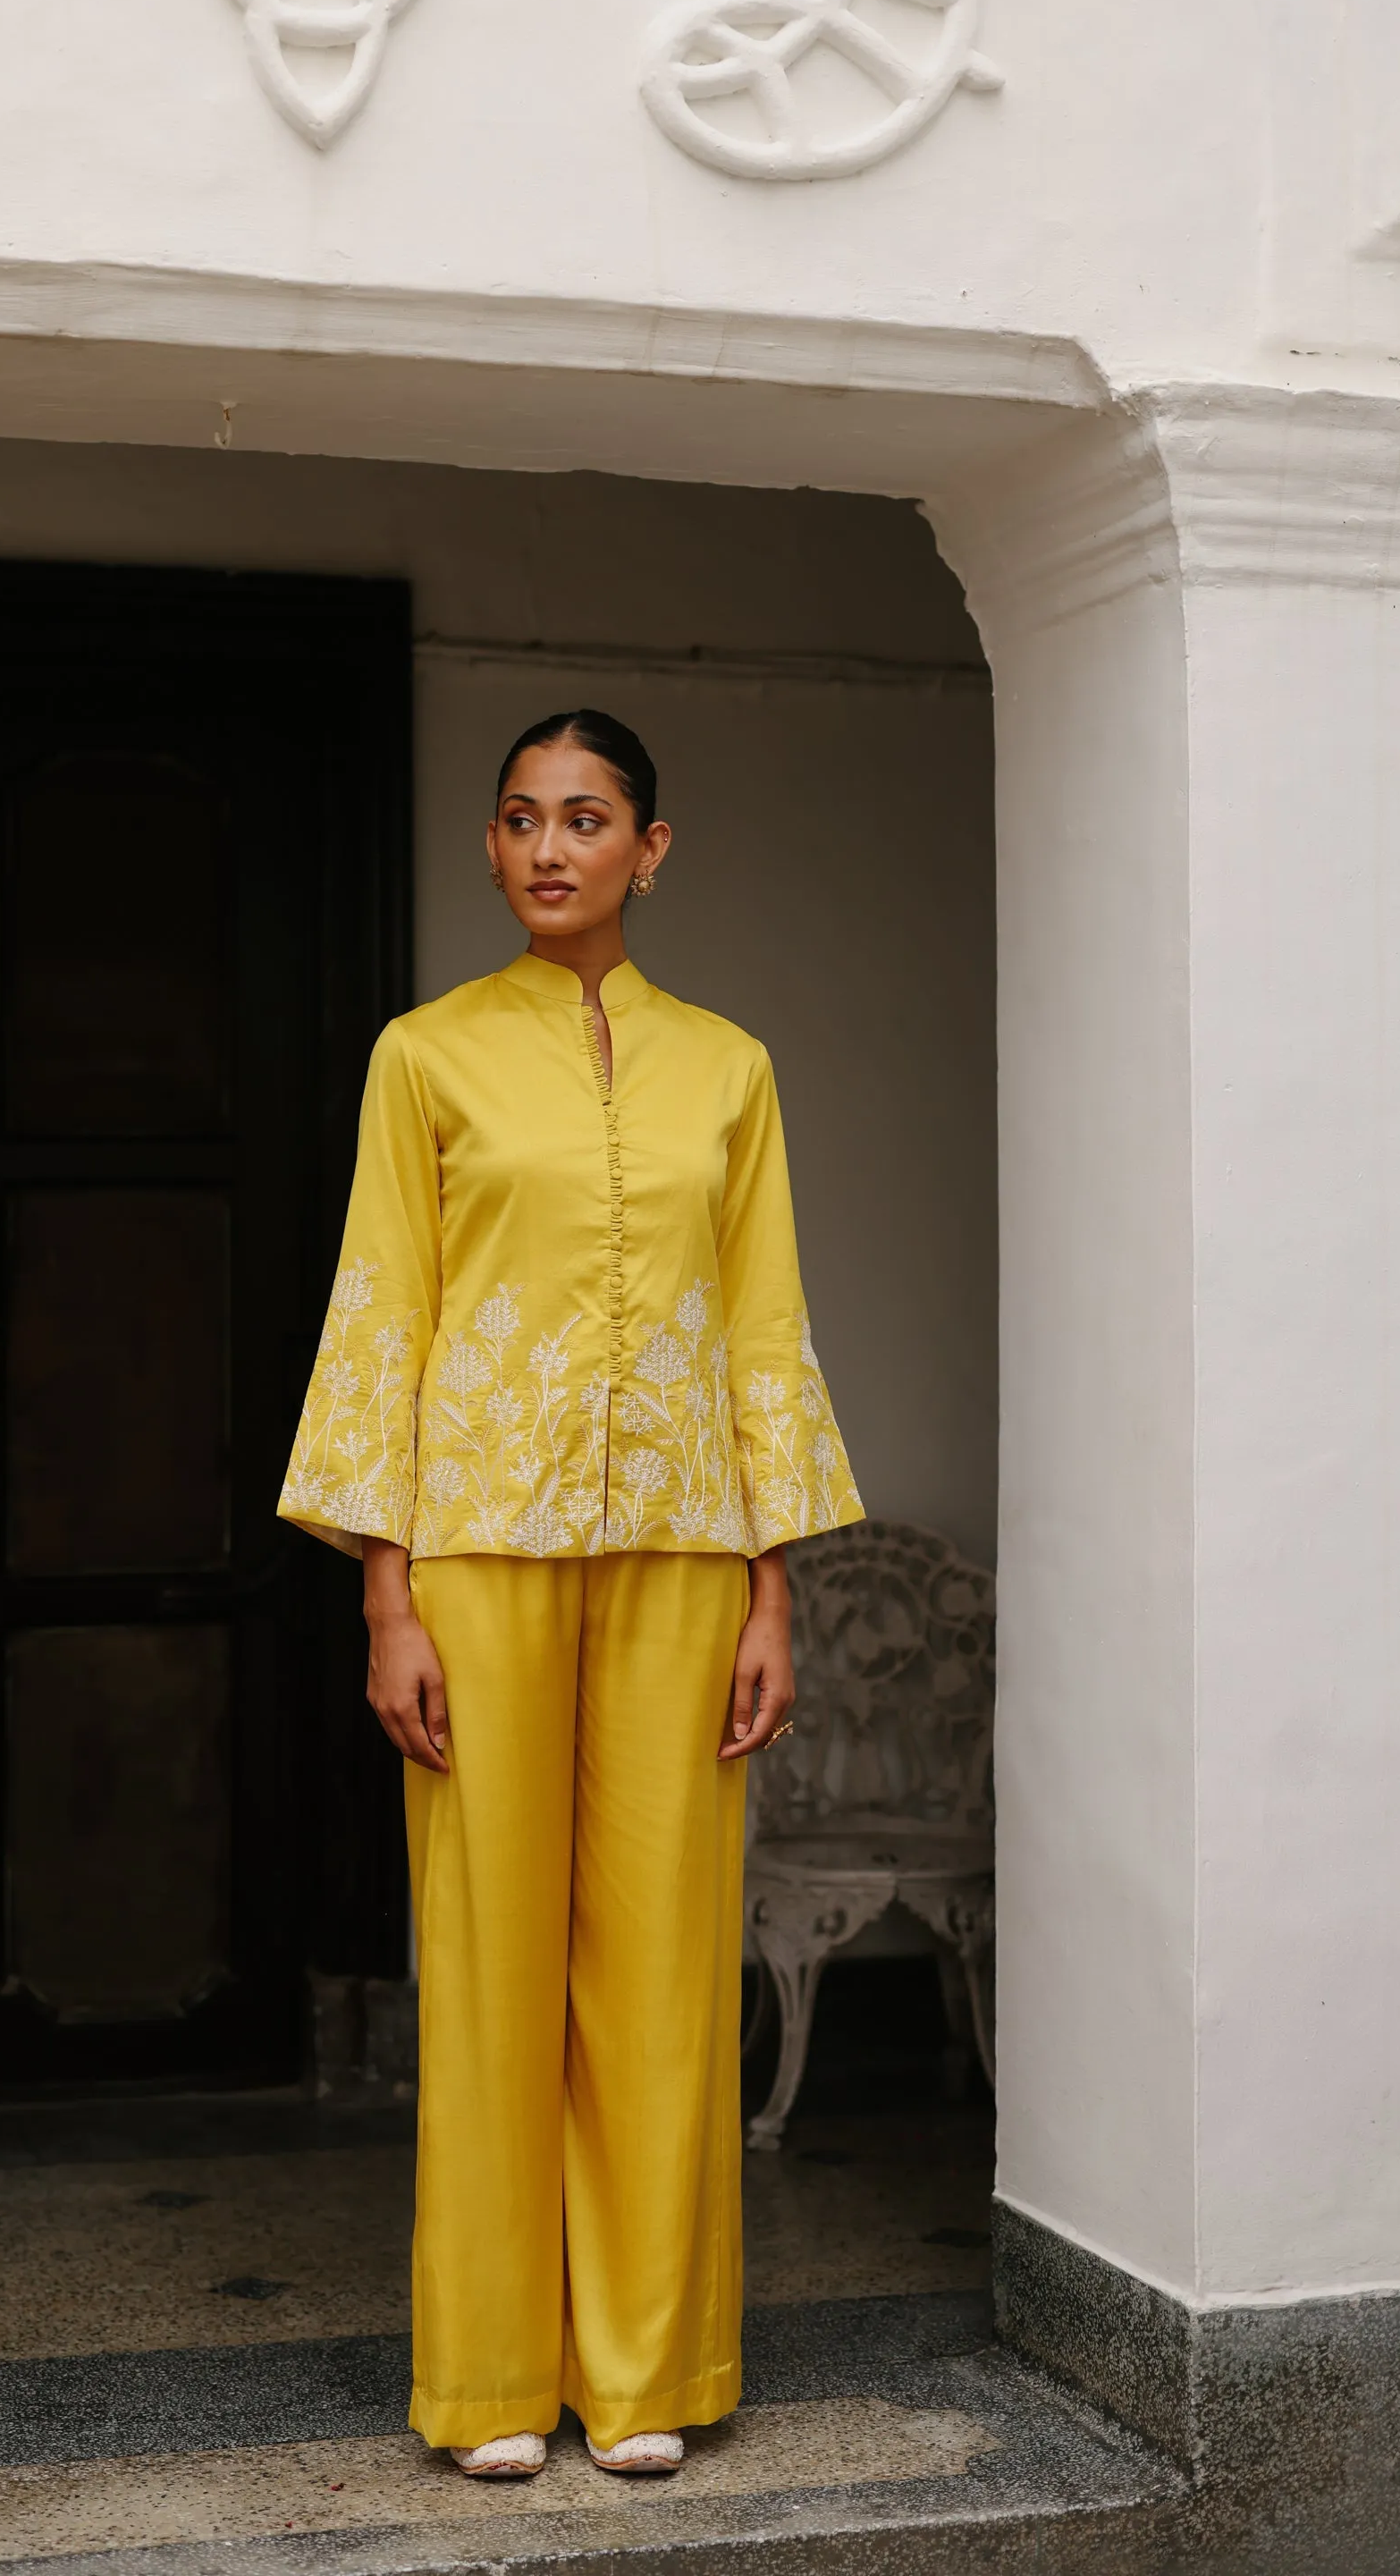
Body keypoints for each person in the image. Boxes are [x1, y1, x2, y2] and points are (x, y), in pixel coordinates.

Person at [279, 708, 863, 2480]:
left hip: (686, 1551)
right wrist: (389, 1597)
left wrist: (769, 1589)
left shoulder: (729, 1070)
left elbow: (761, 1323)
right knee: (486, 1961)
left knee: (664, 1962)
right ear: (493, 844)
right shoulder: (425, 1057)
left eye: (588, 818)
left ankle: (647, 2373)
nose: (550, 847)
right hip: (477, 1550)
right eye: (522, 818)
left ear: (651, 849)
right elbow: (387, 1309)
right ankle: (485, 2381)